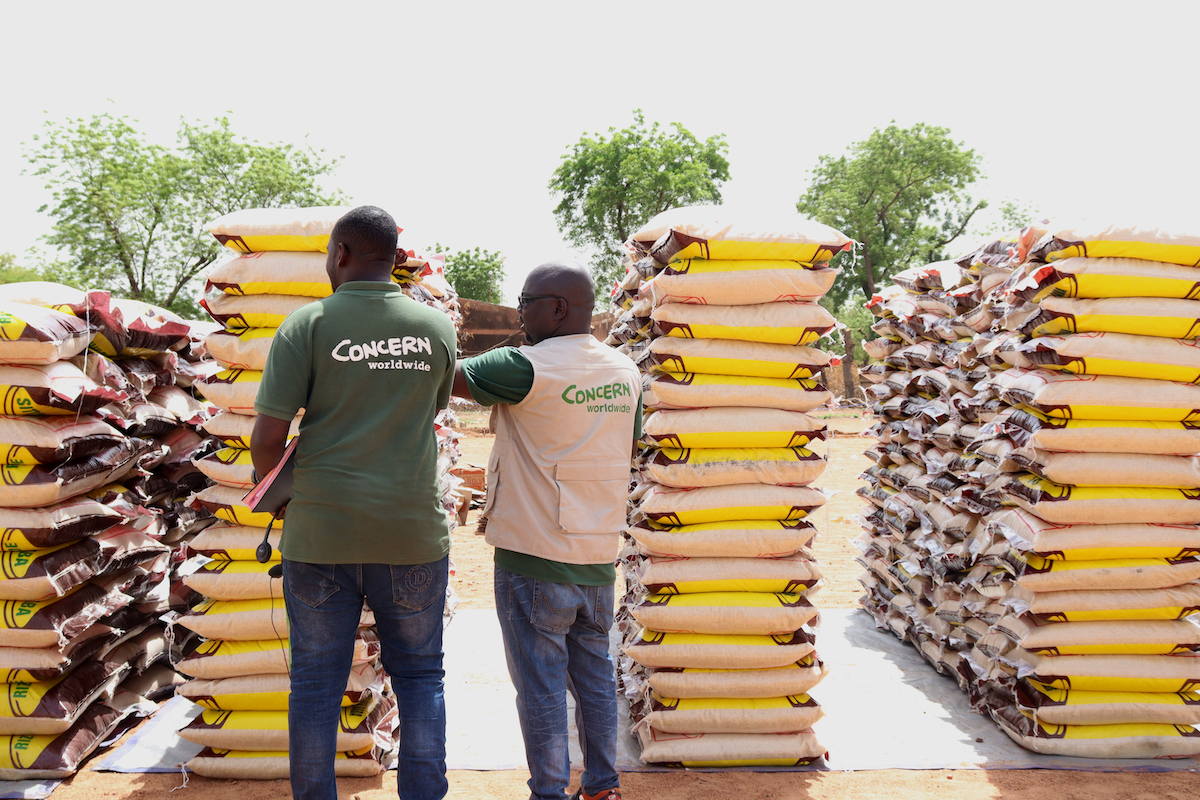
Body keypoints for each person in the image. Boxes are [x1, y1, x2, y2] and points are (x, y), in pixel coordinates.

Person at [250, 206, 456, 800]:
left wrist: (283, 497)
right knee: (421, 677)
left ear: (340, 253)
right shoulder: (435, 329)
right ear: (392, 256)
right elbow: (431, 411)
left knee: (316, 682)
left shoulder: (306, 325)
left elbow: (267, 438)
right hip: (411, 534)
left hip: (322, 535)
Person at [452, 260, 641, 800]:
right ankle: (603, 785)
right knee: (596, 681)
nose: (519, 311)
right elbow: (625, 449)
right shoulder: (624, 371)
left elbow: (449, 373)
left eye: (526, 300)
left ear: (557, 307)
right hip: (596, 555)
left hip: (532, 559)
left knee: (540, 689)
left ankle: (550, 791)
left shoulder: (525, 366)